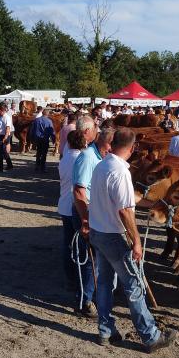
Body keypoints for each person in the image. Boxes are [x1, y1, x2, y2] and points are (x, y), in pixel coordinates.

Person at [88, 127, 177, 352]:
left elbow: (119, 200)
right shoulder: (120, 171)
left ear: (112, 143)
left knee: (106, 283)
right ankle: (150, 336)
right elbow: (125, 211)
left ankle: (105, 330)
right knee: (134, 285)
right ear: (133, 147)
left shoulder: (101, 165)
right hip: (114, 235)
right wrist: (136, 241)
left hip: (98, 231)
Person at [71, 116, 112, 317]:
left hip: (95, 213)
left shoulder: (100, 156)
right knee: (89, 258)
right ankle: (84, 301)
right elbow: (79, 191)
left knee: (96, 257)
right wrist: (85, 220)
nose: (109, 152)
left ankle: (92, 295)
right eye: (107, 148)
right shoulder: (88, 157)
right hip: (85, 212)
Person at [58, 129, 88, 298]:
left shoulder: (65, 158)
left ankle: (70, 279)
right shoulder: (81, 159)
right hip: (75, 207)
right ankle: (78, 280)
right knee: (80, 247)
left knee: (68, 243)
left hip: (64, 204)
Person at [0, 105, 14, 172]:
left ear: (2, 111)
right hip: (0, 136)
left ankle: (0, 168)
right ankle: (9, 165)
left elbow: (8, 128)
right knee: (4, 152)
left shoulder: (6, 117)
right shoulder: (0, 117)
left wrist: (5, 137)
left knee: (0, 153)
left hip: (3, 136)